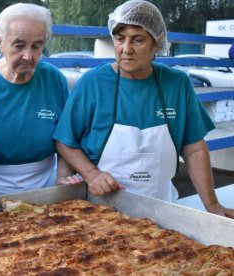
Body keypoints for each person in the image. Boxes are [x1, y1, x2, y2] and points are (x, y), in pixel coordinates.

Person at [53, 0, 234, 218]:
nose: (126, 49)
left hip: (163, 207)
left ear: (157, 44)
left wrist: (212, 205)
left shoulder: (176, 84)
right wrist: (91, 175)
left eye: (137, 40)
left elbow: (194, 148)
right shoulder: (94, 83)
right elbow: (65, 141)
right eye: (120, 39)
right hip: (103, 209)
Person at [0, 3, 81, 196]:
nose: (28, 56)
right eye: (19, 45)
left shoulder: (54, 79)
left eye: (36, 46)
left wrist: (63, 176)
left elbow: (66, 136)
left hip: (45, 182)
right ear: (0, 42)